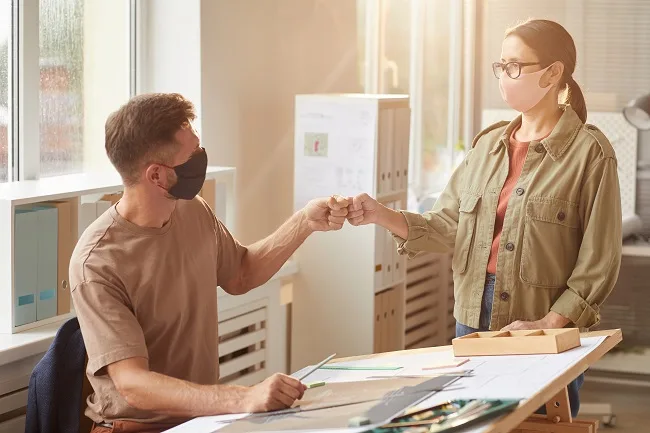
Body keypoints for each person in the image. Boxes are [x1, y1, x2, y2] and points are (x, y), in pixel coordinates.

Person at [345, 19, 622, 417]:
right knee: (473, 424)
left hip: (542, 326)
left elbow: (599, 261)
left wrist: (550, 322)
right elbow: (447, 228)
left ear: (553, 73)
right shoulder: (487, 146)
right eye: (500, 66)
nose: (504, 77)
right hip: (472, 319)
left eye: (514, 67)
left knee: (540, 427)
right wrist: (379, 214)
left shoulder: (590, 153)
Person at [70, 93, 350, 433]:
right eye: (191, 157)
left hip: (201, 421)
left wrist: (305, 222)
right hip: (138, 427)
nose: (200, 161)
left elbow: (241, 274)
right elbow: (132, 384)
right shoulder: (97, 263)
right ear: (157, 176)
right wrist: (243, 398)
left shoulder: (192, 210)